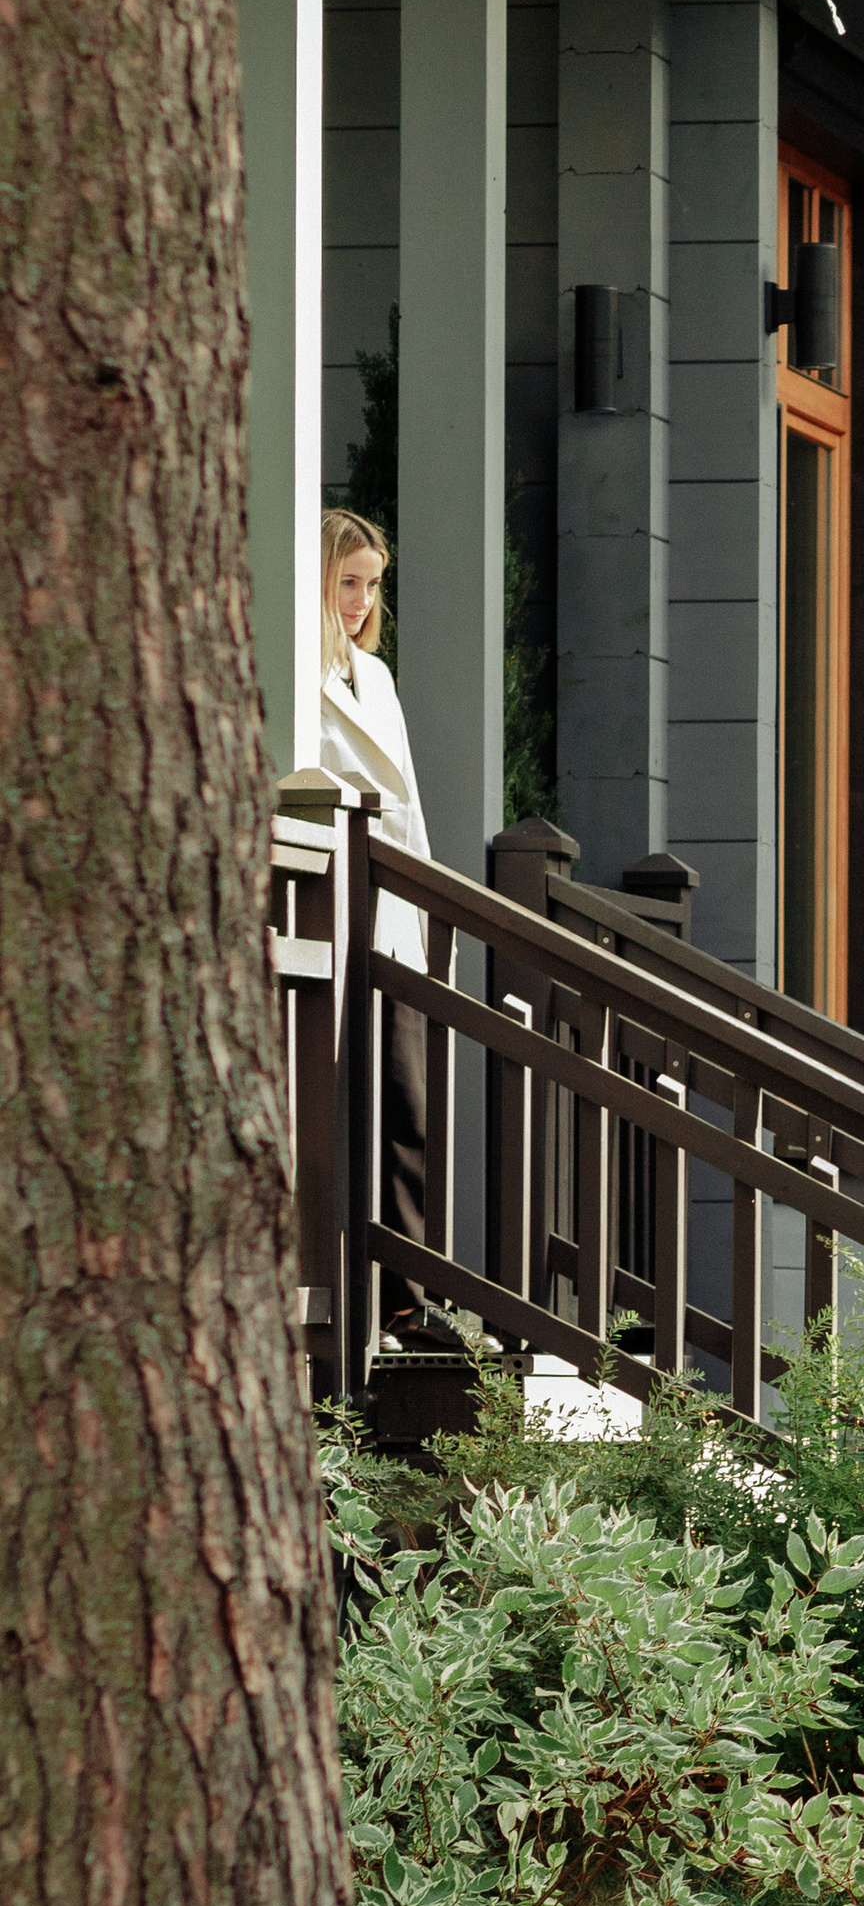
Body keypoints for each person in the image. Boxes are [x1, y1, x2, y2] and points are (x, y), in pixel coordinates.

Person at [315, 508, 439, 1347]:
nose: (361, 601)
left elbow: (413, 812)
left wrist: (428, 925)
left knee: (407, 1105)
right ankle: (389, 1299)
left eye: (372, 585)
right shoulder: (299, 670)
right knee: (351, 1107)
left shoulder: (378, 677)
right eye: (348, 581)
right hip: (332, 907)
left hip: (394, 914)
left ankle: (405, 1293)